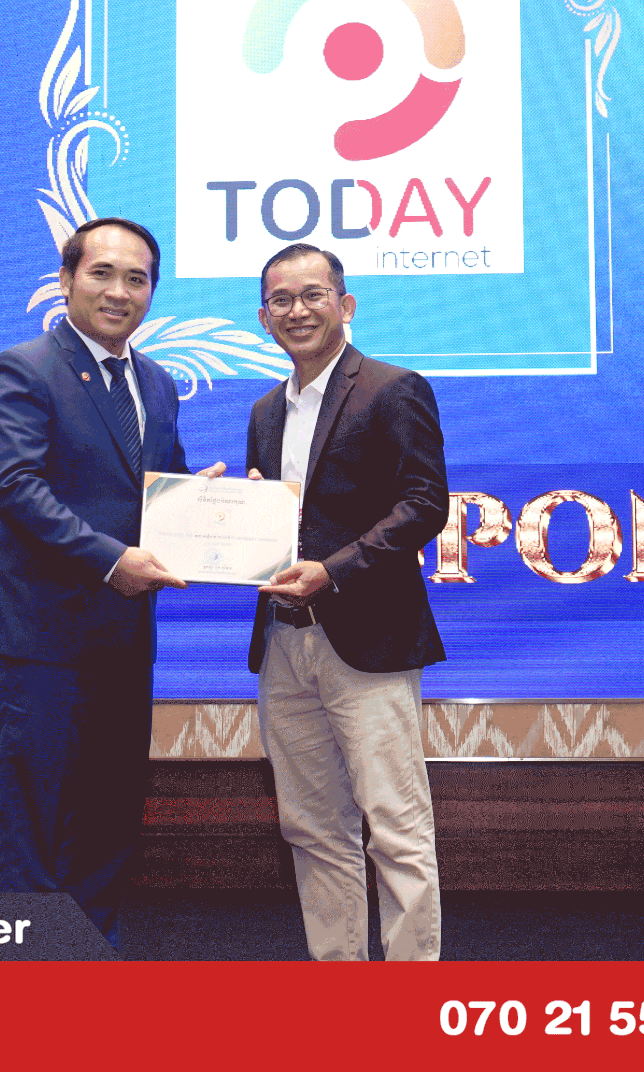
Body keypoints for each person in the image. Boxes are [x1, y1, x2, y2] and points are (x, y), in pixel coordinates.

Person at [0, 216, 222, 948]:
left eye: (136, 279)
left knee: (111, 807)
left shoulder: (156, 382)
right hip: (45, 634)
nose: (119, 291)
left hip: (125, 633)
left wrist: (206, 505)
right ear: (66, 280)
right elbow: (15, 486)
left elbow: (157, 490)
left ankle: (88, 954)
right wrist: (113, 560)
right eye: (102, 273)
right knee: (35, 810)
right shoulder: (24, 368)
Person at [244, 241, 449, 960]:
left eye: (313, 295)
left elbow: (424, 504)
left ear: (345, 304)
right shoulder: (265, 410)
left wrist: (332, 572)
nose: (297, 310)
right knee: (311, 828)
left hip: (369, 639)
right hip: (283, 640)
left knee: (395, 826)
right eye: (280, 299)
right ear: (263, 316)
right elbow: (278, 522)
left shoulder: (393, 389)